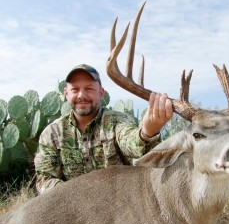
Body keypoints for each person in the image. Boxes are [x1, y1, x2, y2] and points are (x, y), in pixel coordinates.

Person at [34, 64, 173, 194]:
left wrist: (147, 132)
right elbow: (45, 180)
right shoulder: (51, 133)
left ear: (101, 93)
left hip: (118, 206)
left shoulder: (117, 121)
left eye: (89, 89)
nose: (81, 95)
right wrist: (75, 197)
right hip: (71, 208)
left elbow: (130, 141)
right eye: (75, 89)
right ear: (66, 94)